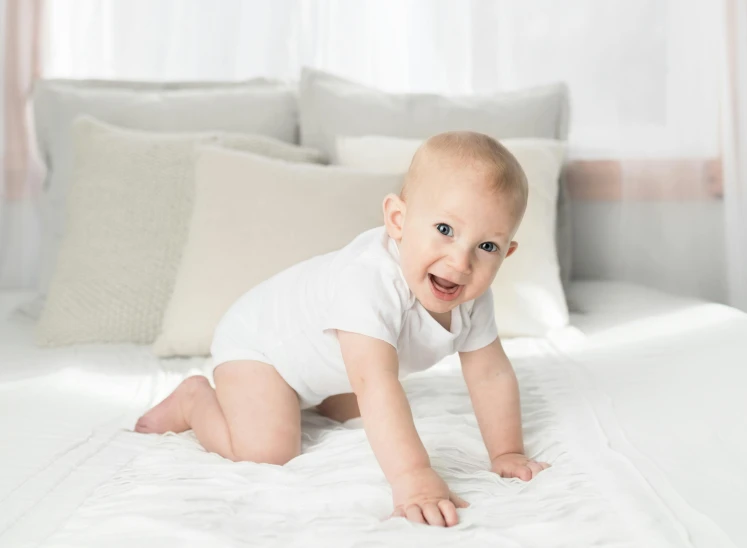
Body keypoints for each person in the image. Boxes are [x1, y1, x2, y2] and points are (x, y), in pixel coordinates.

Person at [135, 130, 550, 527]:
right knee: (267, 452)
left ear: (507, 252)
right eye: (445, 230)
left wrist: (507, 451)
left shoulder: (472, 297)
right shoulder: (368, 281)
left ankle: (319, 397)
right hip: (261, 348)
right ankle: (193, 400)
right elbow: (376, 386)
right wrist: (413, 477)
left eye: (487, 246)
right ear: (398, 220)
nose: (461, 262)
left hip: (323, 362)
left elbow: (491, 374)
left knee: (361, 409)